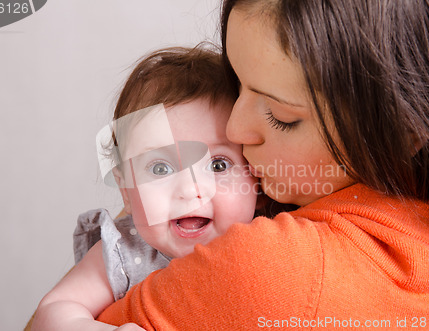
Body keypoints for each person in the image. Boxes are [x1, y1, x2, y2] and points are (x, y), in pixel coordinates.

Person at [93, 0, 429, 329]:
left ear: (404, 131)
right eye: (237, 85)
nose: (235, 129)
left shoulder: (281, 272)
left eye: (279, 116)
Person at [30, 45, 259, 331]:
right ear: (126, 188)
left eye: (218, 165)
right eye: (160, 168)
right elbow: (55, 310)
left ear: (257, 178)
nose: (190, 190)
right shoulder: (124, 251)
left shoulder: (269, 241)